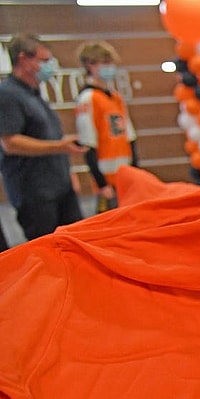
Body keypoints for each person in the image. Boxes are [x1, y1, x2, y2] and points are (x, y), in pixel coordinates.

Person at [0, 33, 87, 242]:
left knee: (76, 243)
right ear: (23, 60)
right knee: (48, 251)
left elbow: (49, 135)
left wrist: (68, 172)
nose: (50, 67)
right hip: (35, 193)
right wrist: (60, 147)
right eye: (44, 61)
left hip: (59, 185)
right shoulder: (8, 94)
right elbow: (10, 143)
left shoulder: (34, 93)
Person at [75, 40, 138, 213]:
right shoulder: (88, 99)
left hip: (124, 175)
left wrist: (135, 171)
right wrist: (101, 183)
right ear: (90, 65)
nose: (110, 67)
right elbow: (88, 144)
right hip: (106, 179)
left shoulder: (116, 97)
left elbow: (129, 136)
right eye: (105, 63)